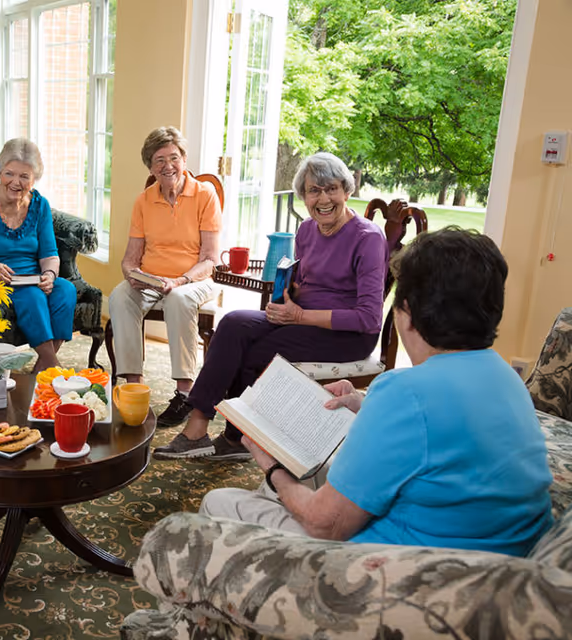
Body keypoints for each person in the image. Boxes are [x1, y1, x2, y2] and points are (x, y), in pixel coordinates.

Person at [200, 227, 554, 556]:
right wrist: (363, 403)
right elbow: (439, 428)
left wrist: (272, 467)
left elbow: (327, 525)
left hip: (398, 570)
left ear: (407, 314)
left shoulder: (404, 392)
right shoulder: (505, 376)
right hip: (498, 561)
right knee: (315, 472)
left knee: (221, 502)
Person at [154, 152, 388, 460]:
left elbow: (369, 318)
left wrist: (300, 314)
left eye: (331, 188)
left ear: (347, 190)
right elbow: (305, 281)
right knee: (233, 323)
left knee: (254, 352)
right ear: (303, 196)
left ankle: (237, 438)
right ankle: (198, 428)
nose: (324, 198)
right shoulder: (306, 230)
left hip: (347, 335)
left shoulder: (367, 238)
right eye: (313, 191)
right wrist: (288, 295)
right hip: (300, 319)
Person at [109, 127, 221, 428]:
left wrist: (181, 281)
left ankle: (185, 393)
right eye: (159, 160)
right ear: (150, 166)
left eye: (174, 157)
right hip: (152, 280)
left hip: (194, 280)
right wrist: (131, 275)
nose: (167, 165)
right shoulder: (143, 201)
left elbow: (210, 259)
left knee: (178, 299)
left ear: (184, 160)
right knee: (119, 295)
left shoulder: (204, 195)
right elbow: (131, 257)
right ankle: (133, 384)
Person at [0, 138, 76, 372]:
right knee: (32, 295)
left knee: (65, 290)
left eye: (24, 176)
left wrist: (49, 273)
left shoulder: (40, 206)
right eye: (9, 173)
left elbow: (50, 253)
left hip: (28, 277)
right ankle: (54, 368)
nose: (15, 182)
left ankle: (42, 367)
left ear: (34, 179)